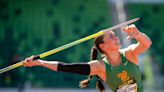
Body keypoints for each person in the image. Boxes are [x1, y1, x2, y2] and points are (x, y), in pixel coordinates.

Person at [23, 24, 152, 92]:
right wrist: (40, 62)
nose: (116, 37)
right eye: (111, 37)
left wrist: (137, 34)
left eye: (115, 35)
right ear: (103, 46)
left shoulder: (129, 54)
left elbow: (146, 43)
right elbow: (65, 67)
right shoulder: (100, 66)